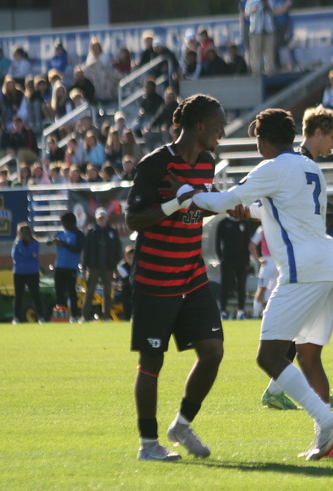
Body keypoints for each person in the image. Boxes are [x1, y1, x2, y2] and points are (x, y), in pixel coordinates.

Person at [183, 108, 333, 460]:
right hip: (329, 267)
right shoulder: (309, 167)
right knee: (308, 356)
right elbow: (293, 212)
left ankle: (329, 423)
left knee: (269, 355)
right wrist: (253, 210)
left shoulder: (272, 167)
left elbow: (222, 200)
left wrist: (187, 193)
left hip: (303, 272)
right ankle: (326, 439)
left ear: (262, 141)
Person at [125, 94, 228, 461]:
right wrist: (175, 204)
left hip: (191, 273)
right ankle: (148, 445)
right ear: (198, 127)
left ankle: (182, 424)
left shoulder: (207, 163)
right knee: (152, 362)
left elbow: (195, 210)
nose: (223, 131)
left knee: (213, 351)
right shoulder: (154, 165)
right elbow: (134, 221)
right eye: (218, 125)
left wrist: (214, 204)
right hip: (156, 277)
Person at [81, 208, 122, 321]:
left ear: (106, 219)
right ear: (96, 219)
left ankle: (106, 316)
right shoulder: (91, 232)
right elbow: (86, 250)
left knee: (107, 293)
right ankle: (85, 316)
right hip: (93, 267)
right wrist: (84, 267)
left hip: (108, 267)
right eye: (99, 219)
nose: (102, 220)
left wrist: (116, 265)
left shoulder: (112, 232)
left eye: (103, 218)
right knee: (89, 292)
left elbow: (118, 249)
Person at [215, 215, 254, 319]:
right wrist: (220, 257)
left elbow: (247, 242)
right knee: (225, 285)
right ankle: (222, 311)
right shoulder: (223, 223)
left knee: (241, 286)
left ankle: (241, 311)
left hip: (241, 261)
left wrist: (247, 260)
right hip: (227, 260)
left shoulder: (245, 223)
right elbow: (218, 241)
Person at [49, 212, 86, 323]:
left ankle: (74, 315)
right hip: (59, 266)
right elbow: (49, 242)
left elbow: (78, 249)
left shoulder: (78, 234)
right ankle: (61, 315)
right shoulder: (60, 233)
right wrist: (52, 240)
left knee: (71, 291)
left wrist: (63, 244)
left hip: (71, 267)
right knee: (59, 291)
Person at [11, 223, 44, 324]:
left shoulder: (35, 243)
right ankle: (16, 318)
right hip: (19, 273)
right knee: (18, 295)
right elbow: (15, 257)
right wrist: (27, 256)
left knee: (35, 295)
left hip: (32, 273)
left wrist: (25, 254)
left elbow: (26, 253)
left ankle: (41, 317)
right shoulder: (16, 243)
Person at [250, 226, 277, 319]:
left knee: (278, 289)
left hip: (279, 262)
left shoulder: (282, 226)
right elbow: (252, 245)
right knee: (262, 288)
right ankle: (255, 314)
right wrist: (258, 260)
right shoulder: (262, 229)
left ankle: (274, 314)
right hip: (267, 262)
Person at [115, 246, 135, 321]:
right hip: (126, 289)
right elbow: (127, 280)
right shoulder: (121, 266)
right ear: (125, 256)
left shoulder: (138, 265)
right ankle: (127, 317)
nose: (131, 259)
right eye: (129, 257)